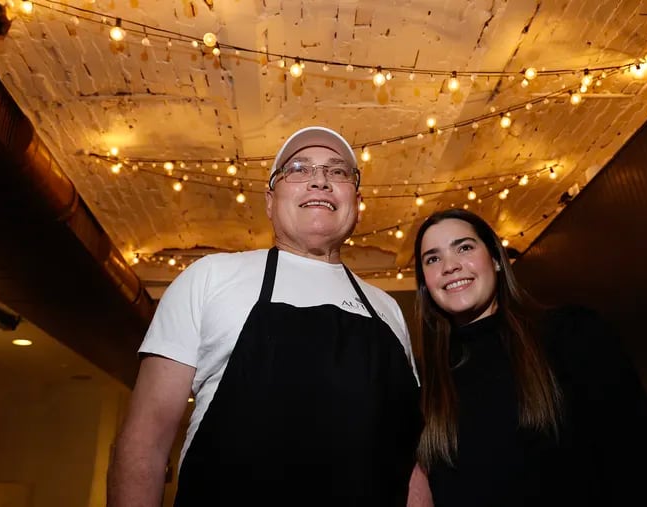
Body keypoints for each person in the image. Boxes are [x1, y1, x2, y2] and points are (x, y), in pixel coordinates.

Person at [107, 126, 423, 507]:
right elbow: (145, 440)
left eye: (337, 172)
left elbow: (408, 461)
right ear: (270, 201)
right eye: (299, 169)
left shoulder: (387, 309)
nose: (320, 180)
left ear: (356, 202)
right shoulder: (209, 278)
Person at [407, 208, 647, 507]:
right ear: (426, 283)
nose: (449, 266)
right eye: (433, 259)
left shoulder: (572, 334)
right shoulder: (425, 381)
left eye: (464, 247)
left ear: (495, 260)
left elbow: (634, 458)